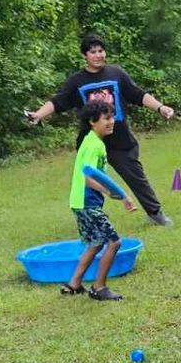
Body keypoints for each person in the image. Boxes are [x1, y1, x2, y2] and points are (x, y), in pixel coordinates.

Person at [26, 34, 178, 225]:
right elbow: (58, 101)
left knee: (136, 177)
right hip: (92, 142)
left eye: (101, 51)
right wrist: (39, 114)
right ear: (85, 55)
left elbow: (138, 95)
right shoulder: (77, 81)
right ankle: (89, 219)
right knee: (89, 181)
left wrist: (160, 107)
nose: (98, 55)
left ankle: (155, 213)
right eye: (93, 52)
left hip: (120, 140)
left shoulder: (116, 73)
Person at [64, 104, 140, 299]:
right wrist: (110, 192)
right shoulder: (93, 145)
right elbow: (88, 177)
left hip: (80, 202)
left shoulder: (93, 141)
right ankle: (99, 288)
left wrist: (120, 195)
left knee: (96, 243)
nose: (111, 122)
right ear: (92, 121)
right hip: (87, 203)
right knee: (114, 242)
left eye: (112, 117)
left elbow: (97, 175)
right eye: (106, 118)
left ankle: (73, 284)